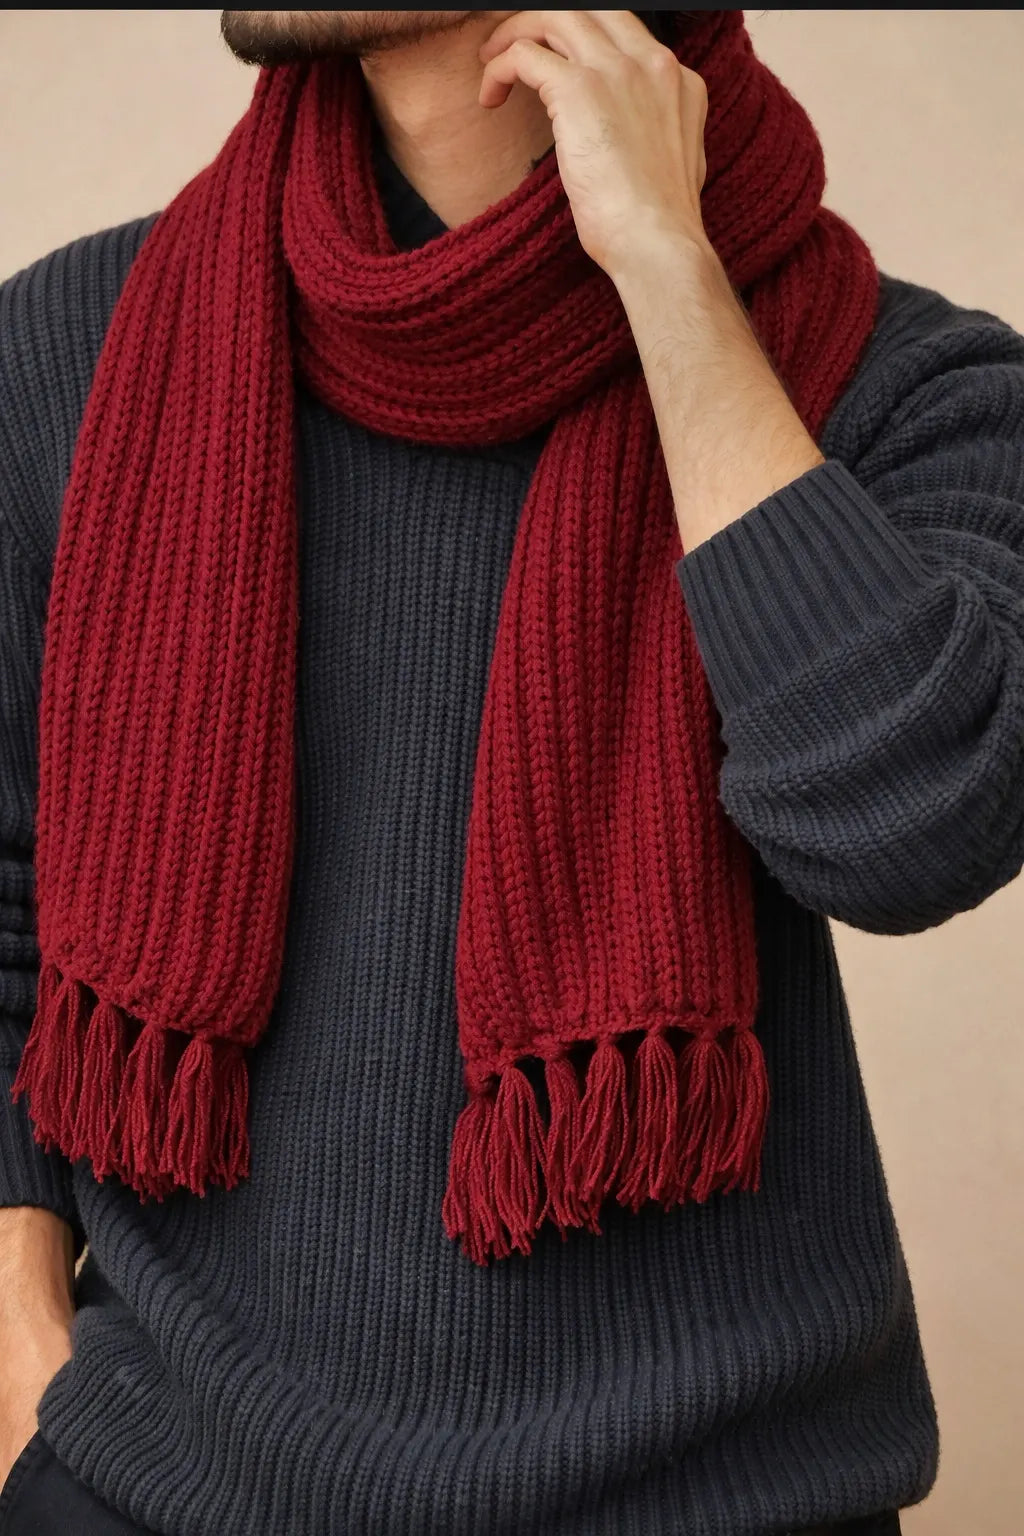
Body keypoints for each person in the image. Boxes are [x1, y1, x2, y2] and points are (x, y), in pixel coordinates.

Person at [0, 8, 1021, 1534]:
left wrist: (670, 283)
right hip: (153, 1488)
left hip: (720, 1500)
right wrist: (23, 1366)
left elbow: (915, 831)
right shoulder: (79, 349)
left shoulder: (906, 381)